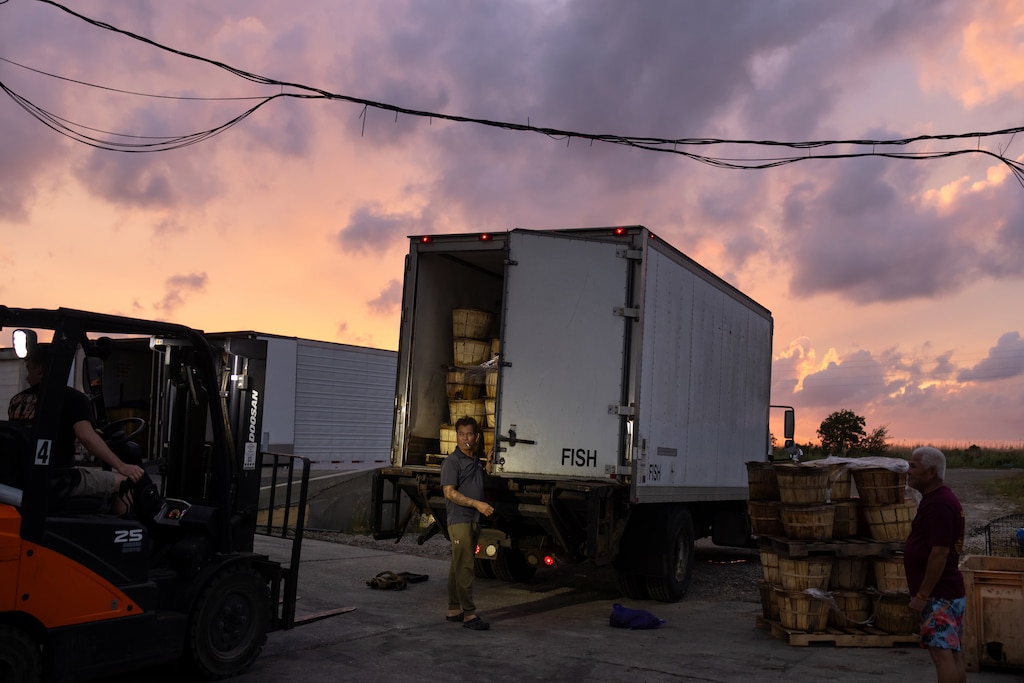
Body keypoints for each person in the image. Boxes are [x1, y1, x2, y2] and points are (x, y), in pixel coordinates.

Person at [8, 345, 145, 514]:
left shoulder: (17, 400)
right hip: (57, 479)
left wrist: (88, 434)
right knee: (125, 481)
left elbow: (37, 431)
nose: (27, 376)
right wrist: (122, 465)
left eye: (28, 369)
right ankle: (127, 534)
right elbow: (85, 436)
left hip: (23, 477)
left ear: (40, 368)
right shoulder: (73, 398)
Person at [904, 446, 966, 683]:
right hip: (949, 593)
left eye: (914, 466)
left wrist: (922, 595)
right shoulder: (937, 499)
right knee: (952, 653)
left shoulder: (939, 504)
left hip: (939, 596)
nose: (908, 471)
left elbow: (939, 553)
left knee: (941, 655)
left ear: (931, 472)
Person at [440, 415, 494, 630]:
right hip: (460, 520)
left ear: (477, 436)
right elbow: (449, 493)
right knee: (466, 567)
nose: (465, 439)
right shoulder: (452, 462)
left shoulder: (474, 461)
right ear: (457, 436)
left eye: (469, 434)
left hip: (472, 520)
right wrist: (477, 504)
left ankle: (454, 609)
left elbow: (481, 480)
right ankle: (469, 614)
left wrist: (488, 463)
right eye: (461, 434)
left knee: (457, 565)